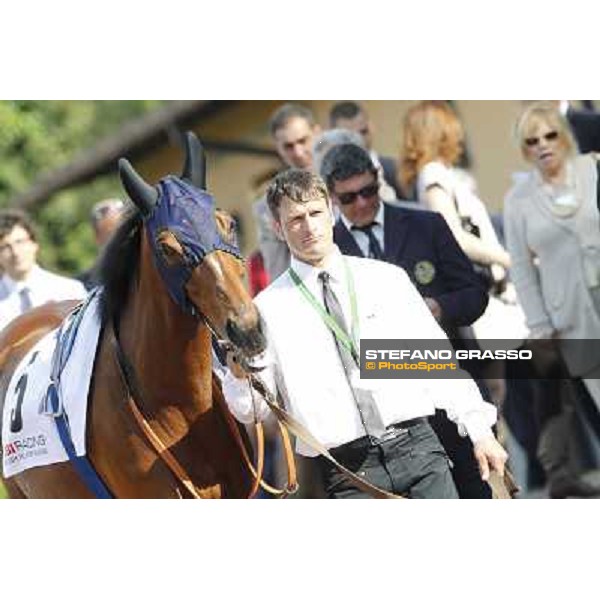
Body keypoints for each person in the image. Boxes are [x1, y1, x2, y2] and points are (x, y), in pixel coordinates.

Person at [221, 168, 507, 499]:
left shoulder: (385, 279)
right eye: (296, 218)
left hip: (419, 450)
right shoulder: (267, 310)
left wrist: (480, 432)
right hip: (348, 473)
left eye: (315, 213)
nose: (309, 226)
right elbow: (252, 410)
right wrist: (239, 377)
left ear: (331, 213)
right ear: (278, 228)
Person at [321, 142, 492, 498]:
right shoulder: (328, 252)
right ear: (332, 198)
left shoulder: (425, 225)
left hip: (447, 383)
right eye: (349, 198)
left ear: (378, 180)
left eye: (368, 191)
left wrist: (438, 308)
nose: (363, 203)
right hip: (388, 414)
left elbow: (474, 294)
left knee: (476, 490)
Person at [504, 101, 600, 497]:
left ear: (564, 134)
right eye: (532, 141)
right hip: (571, 315)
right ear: (525, 149)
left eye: (550, 135)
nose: (543, 145)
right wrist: (539, 324)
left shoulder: (592, 168)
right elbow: (522, 268)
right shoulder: (518, 199)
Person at [399, 101, 518, 409]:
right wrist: (506, 259)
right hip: (480, 300)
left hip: (480, 298)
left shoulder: (433, 175)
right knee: (500, 396)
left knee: (503, 396)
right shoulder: (434, 175)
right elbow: (454, 236)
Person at [253, 103, 321, 281]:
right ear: (278, 147)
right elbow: (278, 270)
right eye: (289, 146)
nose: (298, 152)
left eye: (303, 141)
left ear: (317, 132)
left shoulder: (350, 176)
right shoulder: (267, 206)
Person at [0, 209, 87, 331]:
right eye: (5, 247)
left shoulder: (69, 291)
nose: (15, 252)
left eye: (20, 242)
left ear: (34, 244)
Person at [329, 101, 403, 201]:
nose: (359, 141)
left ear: (371, 127)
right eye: (349, 137)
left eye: (363, 132)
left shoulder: (395, 170)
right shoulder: (326, 181)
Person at [79, 198, 125, 290]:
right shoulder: (80, 286)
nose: (121, 240)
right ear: (97, 238)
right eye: (112, 234)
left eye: (124, 232)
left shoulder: (149, 274)